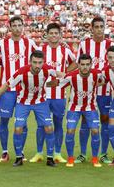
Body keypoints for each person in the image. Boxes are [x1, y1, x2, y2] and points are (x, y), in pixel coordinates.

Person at [0, 50, 64, 167]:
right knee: (18, 129)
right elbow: (6, 85)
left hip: (40, 102)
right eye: (35, 62)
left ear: (43, 62)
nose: (37, 65)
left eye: (40, 62)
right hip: (23, 102)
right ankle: (18, 158)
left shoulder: (47, 69)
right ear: (30, 62)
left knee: (49, 128)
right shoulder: (21, 72)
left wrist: (53, 83)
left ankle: (50, 158)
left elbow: (63, 75)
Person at [30, 23, 77, 163]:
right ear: (47, 35)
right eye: (51, 33)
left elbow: (75, 63)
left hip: (59, 94)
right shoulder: (40, 49)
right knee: (41, 125)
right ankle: (39, 152)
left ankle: (57, 153)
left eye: (56, 33)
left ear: (60, 35)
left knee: (58, 123)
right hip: (42, 94)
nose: (54, 35)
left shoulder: (65, 50)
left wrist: (65, 73)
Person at [0, 16, 38, 162]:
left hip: (23, 90)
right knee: (4, 121)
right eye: (14, 25)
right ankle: (5, 151)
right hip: (7, 89)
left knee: (22, 122)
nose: (17, 28)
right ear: (10, 27)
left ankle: (20, 151)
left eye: (20, 25)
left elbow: (39, 57)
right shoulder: (1, 43)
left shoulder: (29, 43)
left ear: (23, 26)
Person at [75, 16, 114, 164]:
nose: (99, 29)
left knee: (105, 121)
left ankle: (103, 153)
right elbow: (77, 64)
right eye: (96, 27)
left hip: (105, 92)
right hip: (87, 91)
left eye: (101, 26)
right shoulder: (84, 44)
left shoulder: (111, 45)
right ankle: (83, 154)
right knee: (85, 121)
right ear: (91, 28)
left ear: (104, 28)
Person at [60, 54, 102, 168]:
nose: (85, 67)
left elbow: (103, 80)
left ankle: (94, 158)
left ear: (91, 65)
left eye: (87, 64)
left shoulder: (97, 74)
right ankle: (70, 158)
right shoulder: (71, 76)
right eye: (82, 64)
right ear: (78, 65)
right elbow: (59, 85)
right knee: (70, 131)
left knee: (95, 131)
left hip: (90, 107)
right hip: (74, 107)